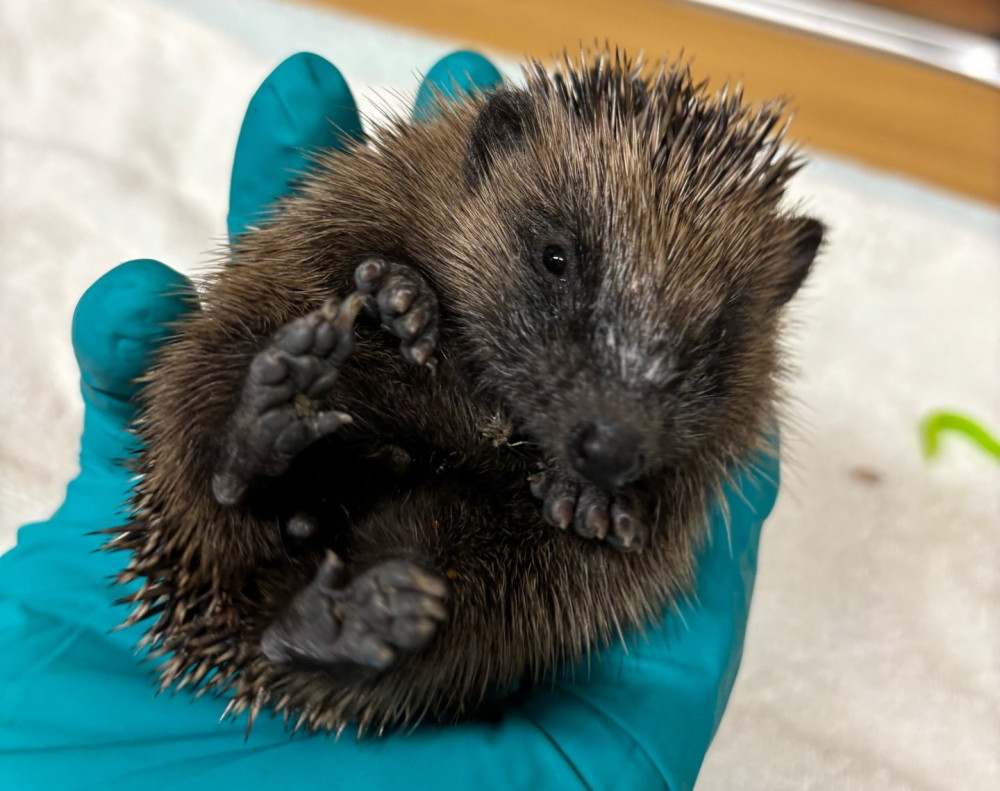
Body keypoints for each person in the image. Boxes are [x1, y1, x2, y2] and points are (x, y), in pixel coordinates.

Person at [0, 51, 779, 791]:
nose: (613, 426)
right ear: (489, 159)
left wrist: (595, 515)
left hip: (436, 532)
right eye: (554, 265)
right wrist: (381, 288)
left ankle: (338, 630)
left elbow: (602, 570)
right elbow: (310, 272)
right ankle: (245, 459)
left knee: (518, 580)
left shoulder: (691, 437)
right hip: (331, 443)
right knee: (250, 345)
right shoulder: (401, 199)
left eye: (703, 344)